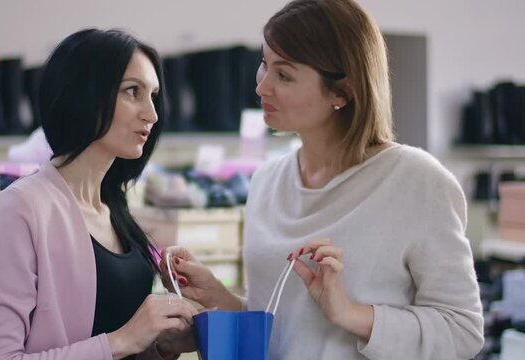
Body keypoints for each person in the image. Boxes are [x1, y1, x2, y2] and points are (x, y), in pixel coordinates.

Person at [160, 1, 484, 359]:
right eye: (264, 64)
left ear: (341, 92)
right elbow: (286, 325)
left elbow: (463, 331)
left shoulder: (419, 182)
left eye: (284, 75)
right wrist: (218, 296)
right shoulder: (267, 181)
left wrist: (350, 313)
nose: (262, 87)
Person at [0, 28, 198, 360]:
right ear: (85, 95)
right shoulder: (20, 209)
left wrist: (163, 344)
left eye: (153, 95)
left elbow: (114, 334)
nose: (152, 114)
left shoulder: (115, 210)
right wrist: (122, 340)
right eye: (132, 91)